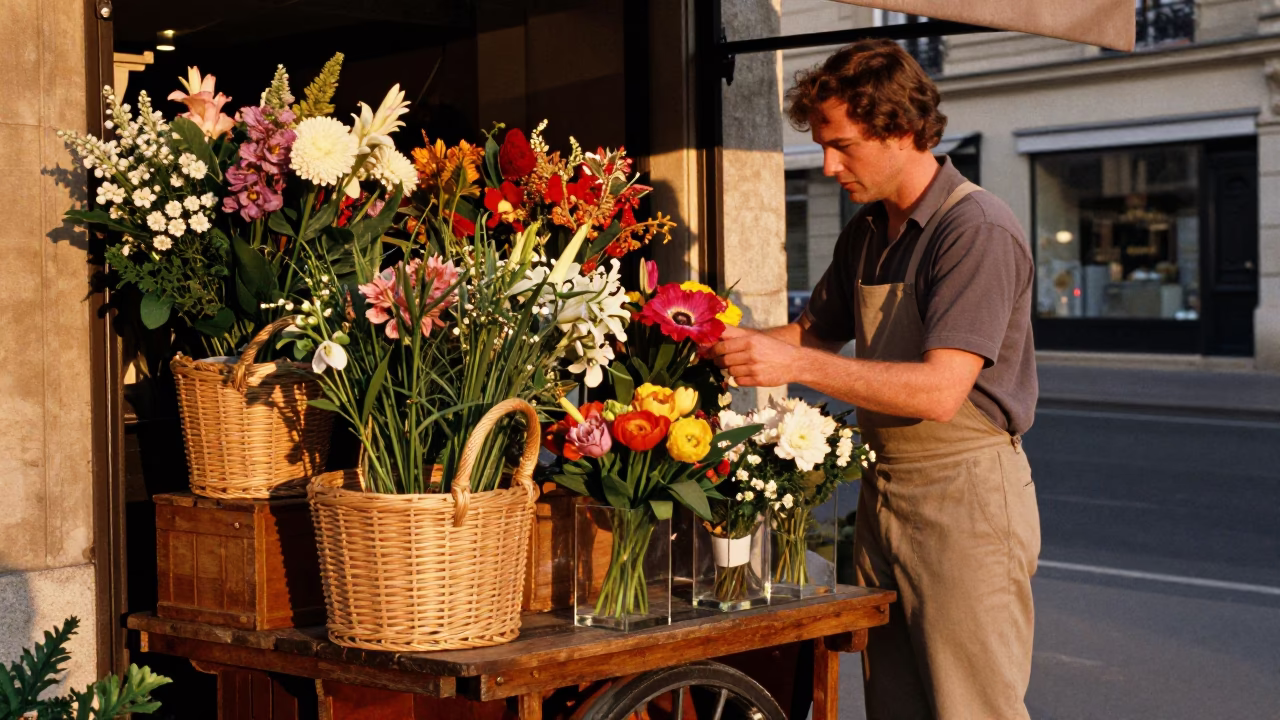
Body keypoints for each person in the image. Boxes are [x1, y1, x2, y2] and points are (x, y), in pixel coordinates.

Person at [709, 39, 1041, 720]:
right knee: (895, 705)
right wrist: (712, 340)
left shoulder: (974, 229)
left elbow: (941, 390)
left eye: (844, 146)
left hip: (966, 501)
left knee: (970, 707)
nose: (828, 164)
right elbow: (811, 335)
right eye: (823, 145)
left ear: (903, 130)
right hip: (885, 493)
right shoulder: (866, 231)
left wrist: (795, 366)